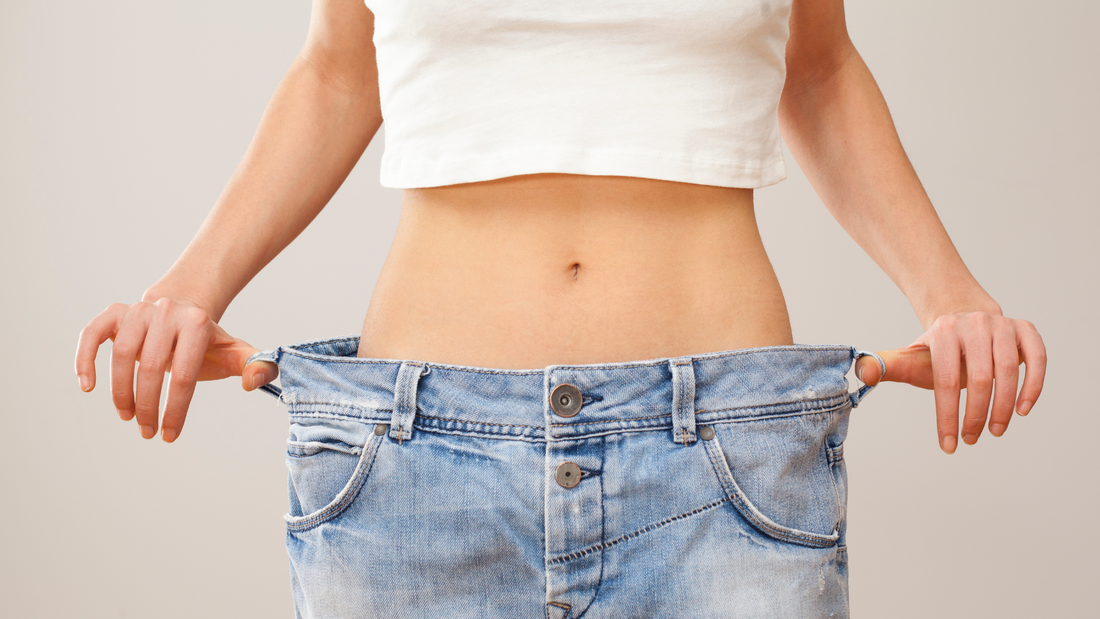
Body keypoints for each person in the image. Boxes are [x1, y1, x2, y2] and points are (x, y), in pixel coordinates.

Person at [74, 0, 1046, 617]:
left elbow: (820, 68)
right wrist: (190, 286)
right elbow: (339, 68)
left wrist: (948, 289)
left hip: (719, 472)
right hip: (419, 474)